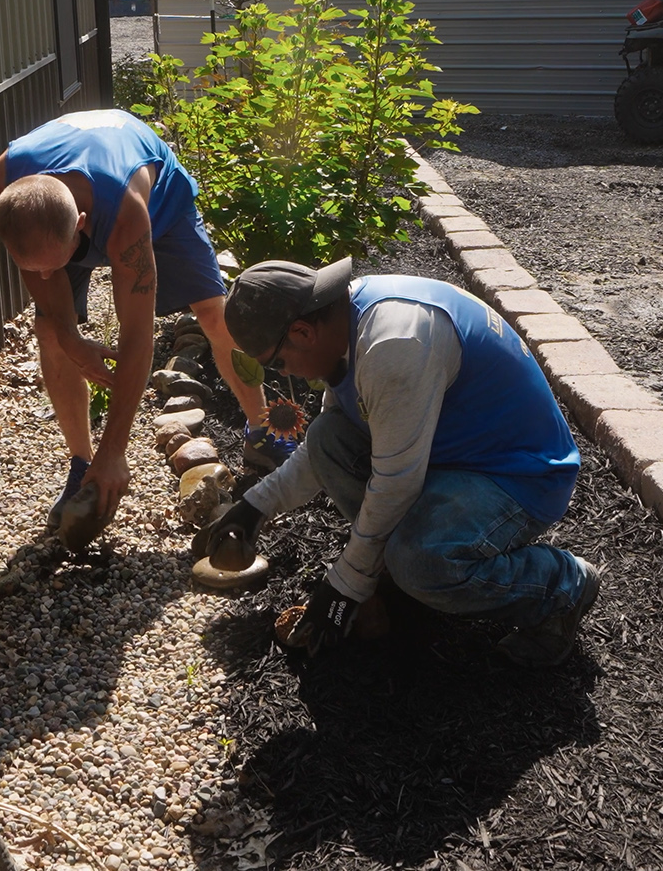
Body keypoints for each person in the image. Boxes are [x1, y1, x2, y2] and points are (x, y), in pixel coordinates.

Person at [199, 257, 601, 666]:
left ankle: (562, 585)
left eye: (278, 364)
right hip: (451, 455)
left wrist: (344, 586)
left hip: (519, 475)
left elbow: (396, 482)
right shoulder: (350, 321)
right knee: (328, 438)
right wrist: (256, 506)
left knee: (420, 562)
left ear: (302, 332)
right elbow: (330, 446)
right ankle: (398, 565)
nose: (289, 376)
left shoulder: (394, 345)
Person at [0, 109, 291, 529]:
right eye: (34, 268)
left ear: (82, 228)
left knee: (215, 316)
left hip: (159, 204)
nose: (47, 277)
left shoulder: (126, 216)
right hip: (63, 210)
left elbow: (137, 336)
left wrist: (116, 451)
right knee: (49, 333)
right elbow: (46, 278)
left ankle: (262, 431)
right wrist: (69, 337)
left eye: (56, 264)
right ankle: (80, 465)